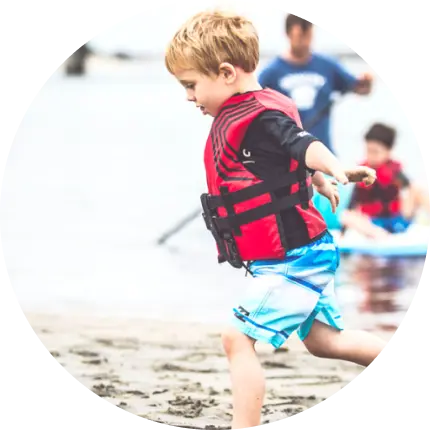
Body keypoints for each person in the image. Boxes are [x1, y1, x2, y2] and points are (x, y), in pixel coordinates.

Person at [164, 10, 390, 430]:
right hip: (303, 250)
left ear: (226, 73)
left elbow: (303, 144)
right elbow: (288, 160)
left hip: (294, 257)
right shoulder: (252, 114)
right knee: (325, 342)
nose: (190, 97)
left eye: (192, 85)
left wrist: (333, 166)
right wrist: (318, 180)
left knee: (236, 338)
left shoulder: (261, 117)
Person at [258, 13, 373, 154]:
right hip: (287, 152)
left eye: (309, 36)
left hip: (323, 151)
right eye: (300, 37)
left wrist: (366, 81)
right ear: (288, 34)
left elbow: (360, 88)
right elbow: (253, 103)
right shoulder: (271, 72)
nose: (305, 43)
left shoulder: (327, 66)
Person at [341, 123, 430, 239]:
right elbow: (352, 203)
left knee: (416, 189)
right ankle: (380, 235)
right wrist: (342, 232)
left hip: (397, 221)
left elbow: (409, 188)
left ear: (388, 151)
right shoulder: (362, 173)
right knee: (346, 216)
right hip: (374, 224)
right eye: (368, 151)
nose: (371, 156)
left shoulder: (395, 171)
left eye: (376, 152)